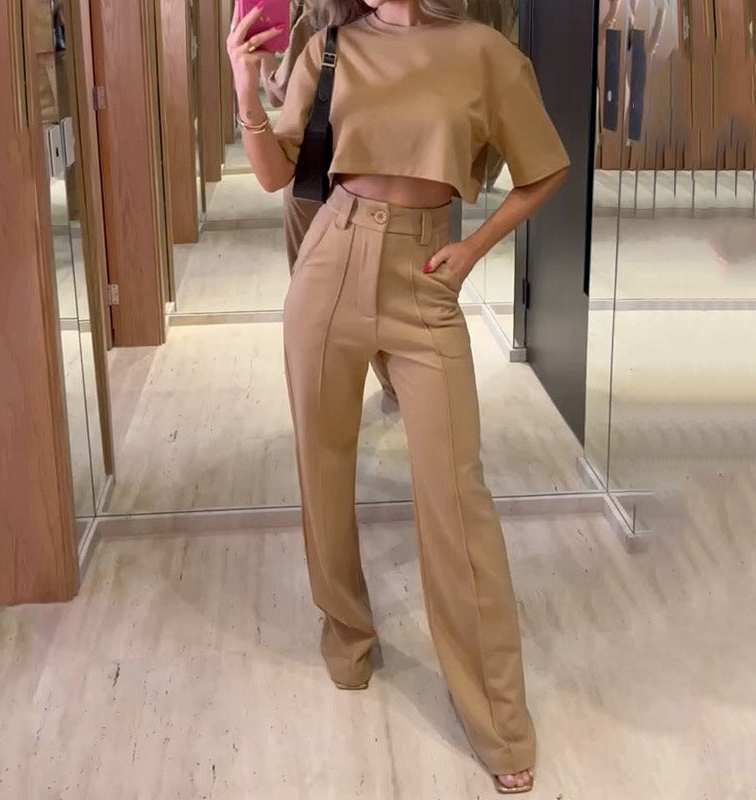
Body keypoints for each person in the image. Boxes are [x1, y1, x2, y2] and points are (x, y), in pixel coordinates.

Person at [227, 0, 569, 793]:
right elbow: (277, 174)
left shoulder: (482, 51)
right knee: (323, 467)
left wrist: (473, 249)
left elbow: (544, 168)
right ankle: (346, 634)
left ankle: (497, 716)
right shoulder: (330, 47)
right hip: (331, 259)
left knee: (456, 495)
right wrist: (246, 87)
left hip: (425, 277)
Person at [259, 0, 398, 405]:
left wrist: (264, 65)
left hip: (314, 177)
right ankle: (395, 383)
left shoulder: (318, 20)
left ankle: (327, 396)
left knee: (313, 293)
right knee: (383, 292)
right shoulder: (416, 24)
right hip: (384, 180)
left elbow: (280, 94)